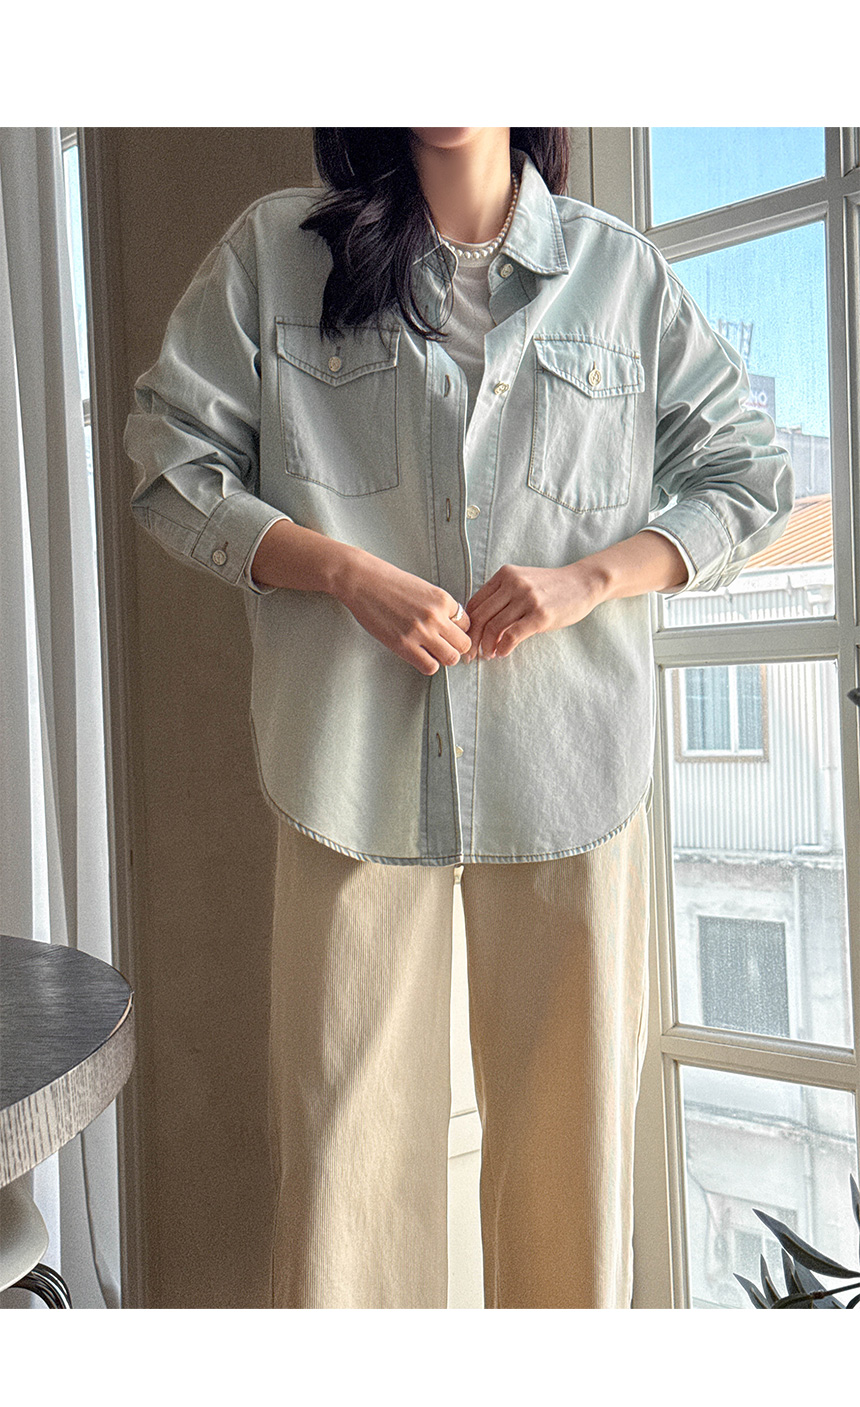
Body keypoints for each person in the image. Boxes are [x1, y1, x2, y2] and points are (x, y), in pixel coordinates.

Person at [124, 127, 794, 1309]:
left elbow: (747, 479)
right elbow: (170, 463)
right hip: (350, 765)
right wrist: (342, 571)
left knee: (570, 1166)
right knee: (344, 1171)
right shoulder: (277, 253)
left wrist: (589, 578)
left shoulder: (619, 274)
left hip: (568, 764)